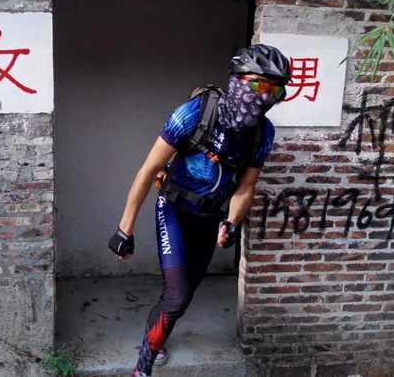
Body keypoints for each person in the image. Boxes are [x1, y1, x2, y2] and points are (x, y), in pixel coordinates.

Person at [107, 44, 291, 377]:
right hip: (174, 207)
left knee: (182, 294)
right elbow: (149, 170)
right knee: (176, 296)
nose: (265, 96)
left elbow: (246, 187)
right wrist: (125, 229)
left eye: (275, 90)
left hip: (210, 216)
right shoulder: (195, 113)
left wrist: (231, 222)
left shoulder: (264, 132)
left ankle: (156, 338)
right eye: (259, 84)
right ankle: (142, 369)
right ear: (236, 79)